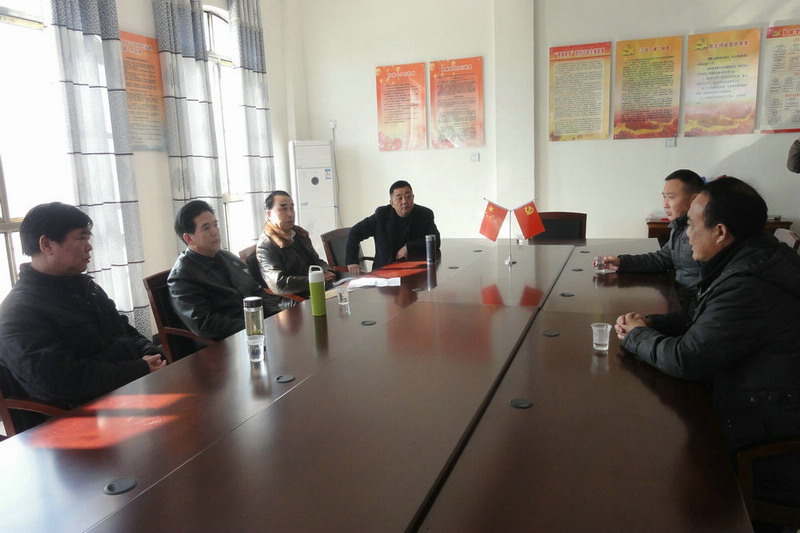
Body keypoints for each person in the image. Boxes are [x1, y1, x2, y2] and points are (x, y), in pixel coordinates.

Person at [615, 177, 800, 508]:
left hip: (765, 443)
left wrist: (638, 337)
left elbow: (688, 359)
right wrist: (651, 323)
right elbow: (705, 319)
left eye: (692, 224)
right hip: (759, 405)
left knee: (640, 454)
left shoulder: (747, 287)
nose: (686, 234)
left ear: (720, 232)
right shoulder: (751, 259)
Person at [0, 202, 165, 410]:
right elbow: (59, 380)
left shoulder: (84, 286)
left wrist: (152, 352)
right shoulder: (18, 311)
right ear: (47, 245)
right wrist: (138, 368)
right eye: (81, 238)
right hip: (80, 415)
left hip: (125, 392)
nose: (89, 246)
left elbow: (124, 329)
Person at [168, 200, 285, 341]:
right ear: (189, 238)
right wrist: (254, 326)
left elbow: (256, 291)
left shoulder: (226, 256)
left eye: (215, 225)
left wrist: (275, 316)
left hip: (257, 331)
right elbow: (205, 324)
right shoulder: (182, 277)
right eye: (206, 228)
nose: (215, 232)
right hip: (225, 343)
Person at [597, 169, 704, 309]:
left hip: (692, 307)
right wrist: (621, 262)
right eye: (664, 197)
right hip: (678, 300)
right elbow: (662, 258)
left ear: (694, 200)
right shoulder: (678, 227)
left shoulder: (703, 233)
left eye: (671, 197)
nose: (665, 204)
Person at [346, 180, 440, 274]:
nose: (404, 201)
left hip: (415, 271)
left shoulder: (424, 214)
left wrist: (408, 247)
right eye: (399, 198)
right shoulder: (381, 216)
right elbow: (355, 232)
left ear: (413, 197)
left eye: (408, 196)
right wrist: (352, 261)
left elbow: (435, 241)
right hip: (385, 272)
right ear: (392, 203)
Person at [256, 190, 335, 297]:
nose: (290, 214)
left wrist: (328, 271)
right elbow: (279, 283)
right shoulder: (266, 245)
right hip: (295, 299)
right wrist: (317, 279)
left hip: (318, 289)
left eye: (291, 208)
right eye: (283, 209)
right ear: (269, 214)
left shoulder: (299, 234)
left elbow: (316, 261)